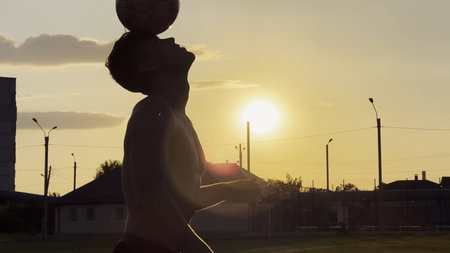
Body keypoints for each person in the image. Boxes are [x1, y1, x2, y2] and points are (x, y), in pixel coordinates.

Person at [106, 32, 261, 253]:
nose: (170, 40)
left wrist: (228, 190)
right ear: (149, 63)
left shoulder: (178, 117)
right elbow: (150, 197)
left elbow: (183, 196)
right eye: (158, 42)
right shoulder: (152, 111)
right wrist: (196, 248)